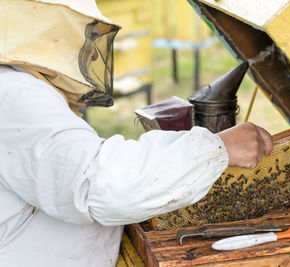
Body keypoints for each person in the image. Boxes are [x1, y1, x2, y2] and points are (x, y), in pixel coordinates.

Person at [0, 1, 273, 266]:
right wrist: (218, 148)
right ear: (46, 32)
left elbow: (73, 165)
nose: (94, 54)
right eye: (85, 37)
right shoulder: (16, 96)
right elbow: (100, 186)